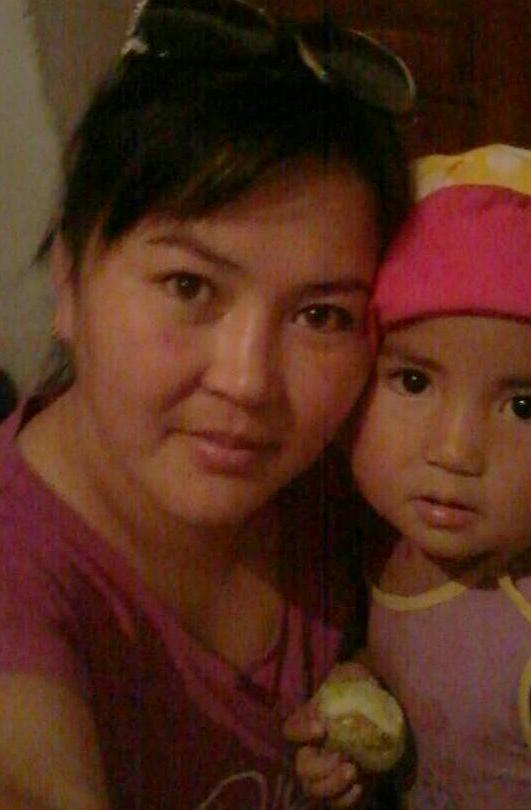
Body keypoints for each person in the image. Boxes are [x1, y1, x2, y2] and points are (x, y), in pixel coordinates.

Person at [0, 1, 415, 807]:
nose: (247, 382)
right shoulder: (23, 579)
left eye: (321, 315)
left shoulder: (347, 479)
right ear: (69, 279)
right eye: (189, 286)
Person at [287, 145, 531, 808]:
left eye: (525, 407)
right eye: (414, 381)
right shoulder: (394, 540)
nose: (454, 451)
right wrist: (357, 703)